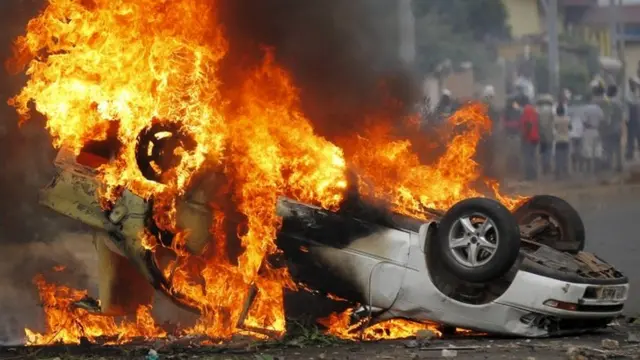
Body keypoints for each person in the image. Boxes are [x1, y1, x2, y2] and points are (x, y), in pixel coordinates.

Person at [582, 82, 606, 175]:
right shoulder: (598, 109)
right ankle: (597, 170)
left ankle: (588, 170)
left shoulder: (586, 109)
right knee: (597, 151)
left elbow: (584, 122)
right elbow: (602, 120)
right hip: (597, 130)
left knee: (587, 151)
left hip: (588, 131)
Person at [519, 95, 540, 181]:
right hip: (535, 136)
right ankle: (534, 174)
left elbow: (528, 124)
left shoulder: (526, 110)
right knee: (533, 156)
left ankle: (529, 175)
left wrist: (524, 136)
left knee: (528, 157)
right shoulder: (534, 110)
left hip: (529, 137)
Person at [604, 84, 624, 172]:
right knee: (618, 148)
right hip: (618, 127)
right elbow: (621, 116)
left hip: (609, 127)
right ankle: (619, 165)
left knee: (608, 148)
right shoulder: (619, 102)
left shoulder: (609, 103)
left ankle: (609, 165)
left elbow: (608, 116)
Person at [503, 95, 523, 179]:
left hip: (515, 135)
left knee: (516, 154)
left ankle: (516, 170)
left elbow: (520, 121)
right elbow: (504, 122)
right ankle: (510, 169)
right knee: (510, 154)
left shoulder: (517, 111)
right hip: (510, 135)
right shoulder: (506, 111)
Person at [536, 94, 555, 176]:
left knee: (542, 151)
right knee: (548, 151)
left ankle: (543, 167)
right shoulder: (551, 110)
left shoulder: (538, 110)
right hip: (549, 133)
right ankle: (547, 167)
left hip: (540, 133)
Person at [554, 103, 571, 179]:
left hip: (558, 139)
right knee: (565, 156)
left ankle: (558, 172)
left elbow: (554, 127)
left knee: (558, 157)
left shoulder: (555, 119)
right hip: (566, 139)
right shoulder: (567, 119)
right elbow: (570, 127)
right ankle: (565, 172)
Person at [626, 78, 640, 161]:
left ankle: (630, 153)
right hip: (633, 119)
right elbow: (631, 103)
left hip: (635, 119)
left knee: (635, 137)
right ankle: (630, 153)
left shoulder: (635, 94)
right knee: (631, 137)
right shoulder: (629, 94)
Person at [569, 104, 585, 174]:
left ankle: (574, 166)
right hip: (580, 134)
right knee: (580, 151)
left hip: (572, 134)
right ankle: (580, 167)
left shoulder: (570, 112)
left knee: (573, 151)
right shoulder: (582, 113)